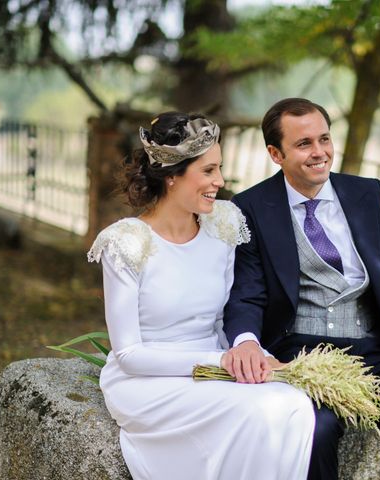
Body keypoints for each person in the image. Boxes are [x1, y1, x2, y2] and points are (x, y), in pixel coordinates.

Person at [223, 98, 380, 480]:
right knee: (315, 430)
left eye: (324, 139)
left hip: (374, 354)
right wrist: (245, 341)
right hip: (298, 358)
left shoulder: (368, 195)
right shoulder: (251, 208)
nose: (320, 152)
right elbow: (246, 292)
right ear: (275, 153)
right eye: (304, 143)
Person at [87, 112, 314, 480]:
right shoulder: (126, 242)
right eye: (208, 171)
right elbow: (129, 355)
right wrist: (223, 361)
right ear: (173, 176)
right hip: (147, 382)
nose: (220, 182)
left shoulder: (222, 224)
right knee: (262, 412)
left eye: (219, 168)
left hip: (214, 369)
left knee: (295, 404)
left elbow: (225, 319)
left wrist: (254, 355)